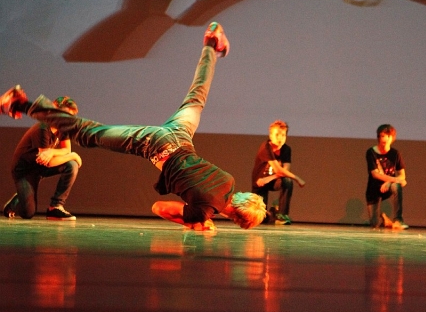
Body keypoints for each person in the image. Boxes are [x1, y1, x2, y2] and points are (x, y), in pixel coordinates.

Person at [0, 23, 266, 232]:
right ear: (236, 220)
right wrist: (194, 220)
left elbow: (197, 185)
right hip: (156, 145)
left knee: (197, 96)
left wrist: (199, 214)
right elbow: (159, 208)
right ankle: (22, 103)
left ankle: (211, 43)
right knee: (89, 133)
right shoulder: (204, 210)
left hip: (181, 136)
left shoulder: (228, 181)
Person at [3, 96, 82, 220]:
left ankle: (55, 207)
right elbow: (49, 162)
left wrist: (52, 151)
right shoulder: (43, 128)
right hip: (25, 171)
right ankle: (17, 201)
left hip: (40, 166)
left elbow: (66, 150)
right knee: (28, 213)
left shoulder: (63, 128)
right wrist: (72, 155)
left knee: (71, 165)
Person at [252, 120, 305, 225]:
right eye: (277, 135)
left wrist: (268, 178)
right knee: (260, 218)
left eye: (283, 135)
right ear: (270, 135)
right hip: (260, 183)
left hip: (271, 180)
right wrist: (297, 178)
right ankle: (272, 213)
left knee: (287, 181)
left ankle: (281, 215)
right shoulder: (266, 147)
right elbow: (278, 170)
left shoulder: (286, 149)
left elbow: (285, 171)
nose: (280, 138)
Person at [365, 124, 408, 230]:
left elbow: (402, 175)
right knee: (374, 224)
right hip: (374, 189)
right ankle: (384, 218)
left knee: (396, 186)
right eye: (382, 136)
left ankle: (398, 220)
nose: (384, 139)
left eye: (387, 136)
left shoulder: (395, 154)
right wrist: (395, 179)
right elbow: (375, 174)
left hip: (388, 186)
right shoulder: (371, 152)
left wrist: (390, 182)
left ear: (392, 138)